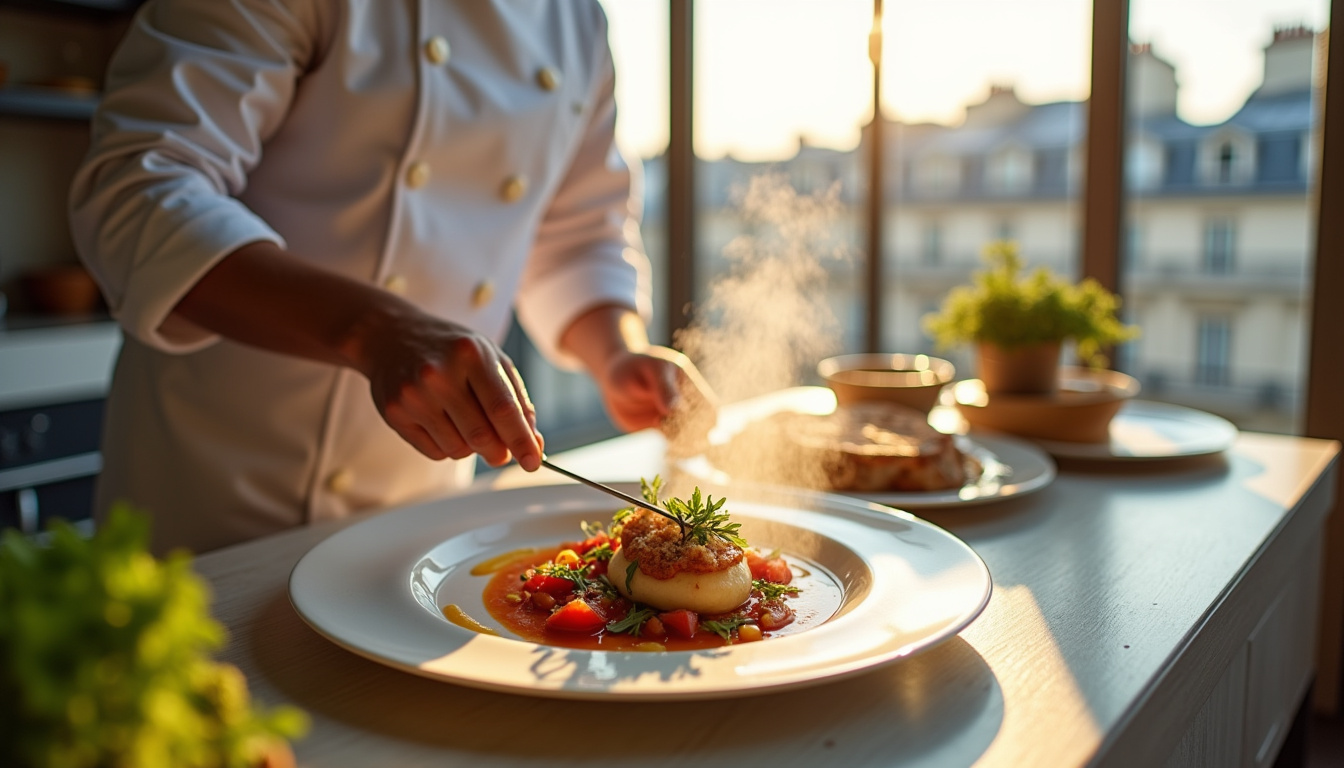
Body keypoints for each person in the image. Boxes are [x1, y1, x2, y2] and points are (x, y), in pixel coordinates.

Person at [69, 0, 711, 554]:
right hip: (212, 498)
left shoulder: (574, 20)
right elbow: (139, 189)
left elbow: (578, 236)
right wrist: (376, 330)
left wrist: (618, 351)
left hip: (417, 513)